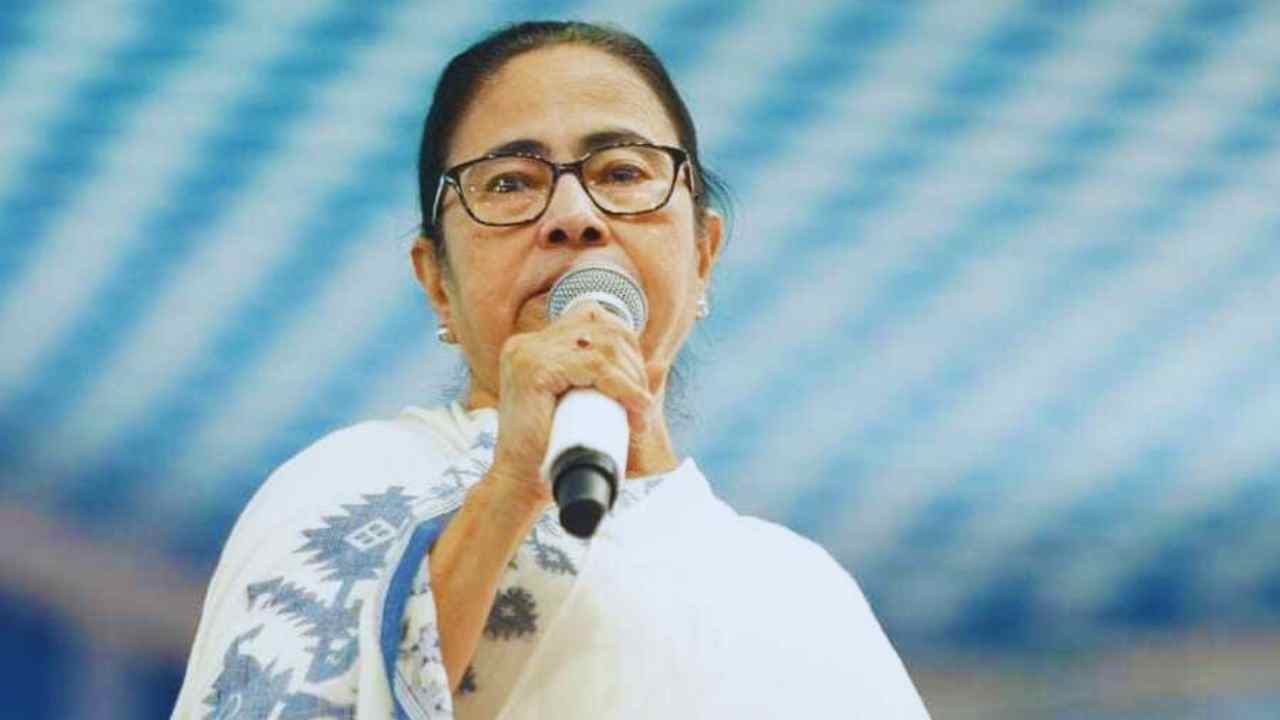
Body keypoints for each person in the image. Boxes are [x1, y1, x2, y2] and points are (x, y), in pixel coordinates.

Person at [172, 21, 931, 719]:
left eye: (623, 171)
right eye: (510, 182)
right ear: (437, 281)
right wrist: (511, 487)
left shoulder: (801, 593)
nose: (574, 215)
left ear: (702, 255)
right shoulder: (352, 485)